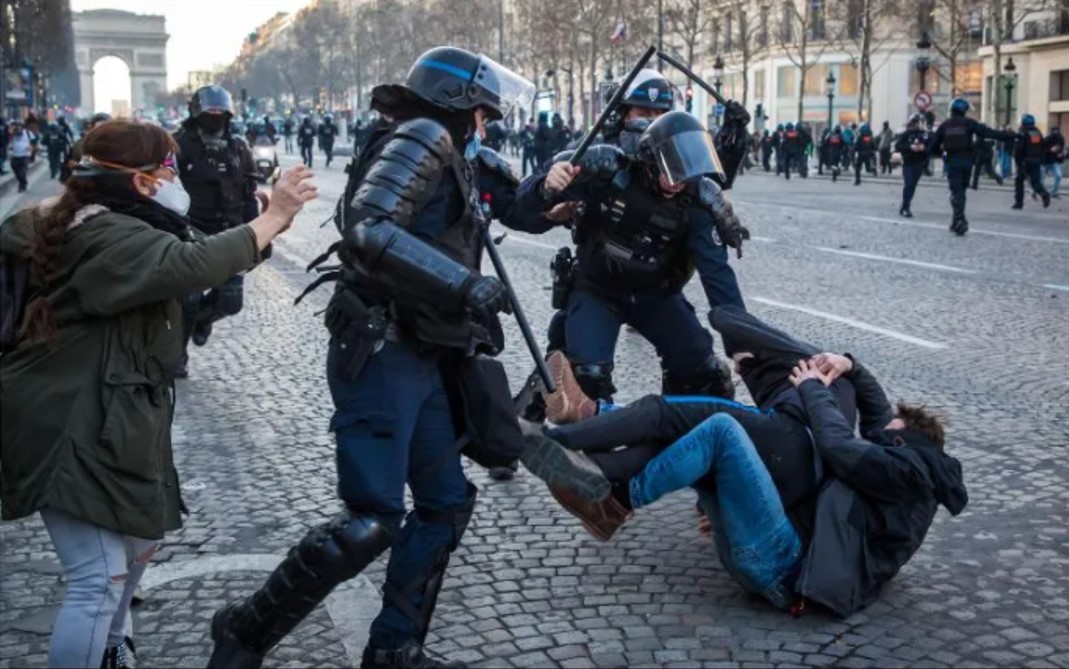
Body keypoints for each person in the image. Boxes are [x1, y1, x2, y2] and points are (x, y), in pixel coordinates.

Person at [207, 46, 539, 669]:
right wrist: (465, 285)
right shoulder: (423, 134)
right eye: (484, 115)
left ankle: (394, 647)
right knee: (372, 521)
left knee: (445, 501)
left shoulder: (436, 141)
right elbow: (368, 227)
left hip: (424, 350)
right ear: (457, 104)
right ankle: (246, 629)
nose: (487, 127)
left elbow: (500, 212)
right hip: (383, 352)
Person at [0, 119, 315, 669]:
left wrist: (263, 226)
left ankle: (114, 645)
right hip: (70, 420)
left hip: (108, 412)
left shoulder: (118, 219)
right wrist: (274, 217)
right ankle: (104, 644)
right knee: (96, 579)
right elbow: (188, 265)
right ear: (139, 180)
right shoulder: (104, 233)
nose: (176, 174)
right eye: (166, 166)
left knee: (140, 542)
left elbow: (194, 250)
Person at [521, 306, 968, 619]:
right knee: (697, 436)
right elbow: (871, 415)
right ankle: (594, 463)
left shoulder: (905, 474)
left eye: (887, 425)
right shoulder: (906, 477)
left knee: (721, 430)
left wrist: (813, 385)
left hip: (783, 569)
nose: (875, 428)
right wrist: (848, 363)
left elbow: (838, 446)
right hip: (774, 551)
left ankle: (613, 494)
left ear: (906, 434)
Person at [514, 109, 750, 413]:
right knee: (588, 378)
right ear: (650, 161)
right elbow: (524, 203)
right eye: (671, 170)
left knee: (706, 374)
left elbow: (717, 274)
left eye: (685, 173)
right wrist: (546, 186)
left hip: (657, 297)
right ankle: (583, 441)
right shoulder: (609, 171)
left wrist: (741, 343)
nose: (678, 182)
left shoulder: (697, 200)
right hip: (597, 290)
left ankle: (680, 434)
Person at [173, 85, 262, 376]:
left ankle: (203, 320)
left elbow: (250, 194)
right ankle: (178, 354)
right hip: (191, 232)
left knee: (231, 300)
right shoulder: (178, 145)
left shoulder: (239, 147)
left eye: (219, 111)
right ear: (198, 114)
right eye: (209, 111)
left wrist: (258, 234)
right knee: (188, 300)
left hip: (230, 232)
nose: (215, 116)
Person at [928, 98, 1015, 235]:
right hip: (967, 162)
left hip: (952, 161)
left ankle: (960, 219)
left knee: (956, 193)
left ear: (952, 109)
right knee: (961, 192)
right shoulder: (969, 123)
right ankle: (956, 220)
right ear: (965, 110)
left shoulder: (945, 125)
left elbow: (933, 146)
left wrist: (942, 155)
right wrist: (1009, 136)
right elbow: (989, 133)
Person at [1012, 114, 1052, 210]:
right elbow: (1042, 146)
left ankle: (1019, 202)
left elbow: (1018, 149)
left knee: (1019, 181)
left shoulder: (1022, 132)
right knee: (1035, 182)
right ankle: (1044, 194)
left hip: (1025, 161)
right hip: (1036, 160)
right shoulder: (1037, 132)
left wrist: (1018, 162)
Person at [895, 113, 931, 218]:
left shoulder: (926, 135)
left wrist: (923, 148)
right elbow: (898, 146)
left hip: (919, 163)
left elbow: (932, 148)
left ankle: (905, 204)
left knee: (913, 186)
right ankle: (906, 207)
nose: (918, 125)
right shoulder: (906, 134)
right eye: (916, 122)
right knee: (909, 184)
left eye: (920, 122)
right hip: (908, 163)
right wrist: (910, 147)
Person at [7, 120, 33, 192]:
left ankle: (21, 186)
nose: (18, 128)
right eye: (16, 126)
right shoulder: (11, 134)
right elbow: (7, 140)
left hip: (25, 156)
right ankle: (23, 182)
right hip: (14, 156)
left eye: (19, 126)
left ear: (22, 127)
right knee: (16, 171)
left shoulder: (28, 133)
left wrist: (31, 148)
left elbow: (34, 141)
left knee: (22, 173)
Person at [1043, 126, 1064, 198]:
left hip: (1053, 162)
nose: (1056, 133)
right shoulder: (1047, 139)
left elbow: (1061, 149)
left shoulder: (1061, 139)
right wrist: (1050, 150)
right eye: (1054, 131)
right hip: (1044, 162)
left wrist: (1061, 154)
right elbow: (1041, 150)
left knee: (1058, 175)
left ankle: (1054, 192)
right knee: (1041, 179)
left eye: (1057, 131)